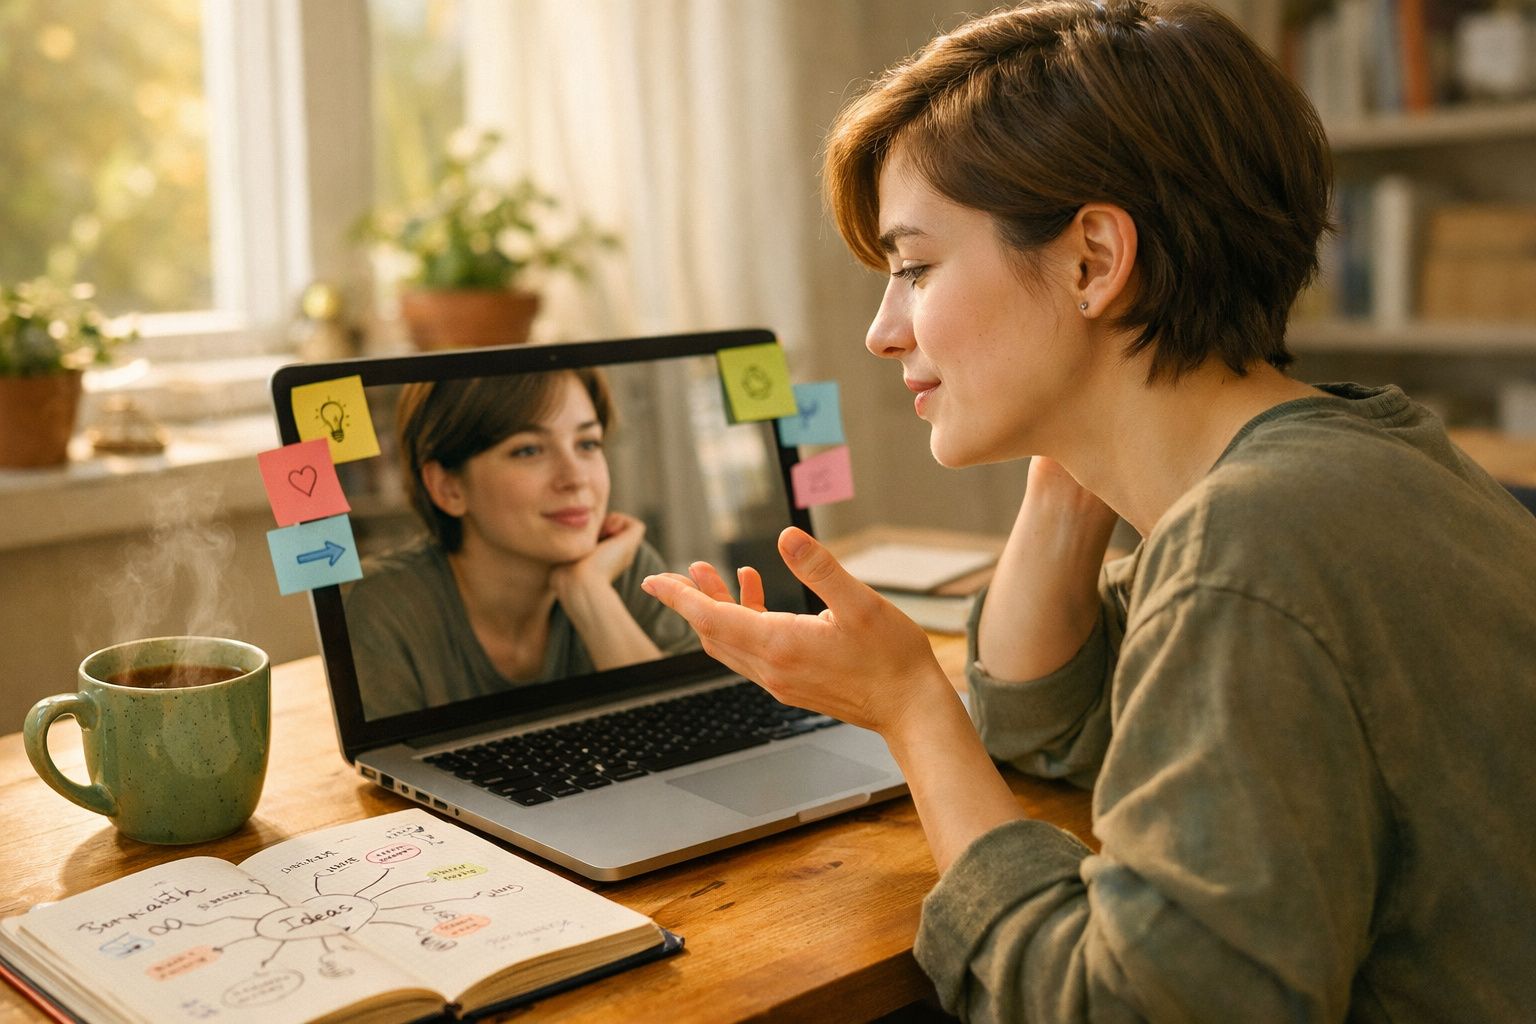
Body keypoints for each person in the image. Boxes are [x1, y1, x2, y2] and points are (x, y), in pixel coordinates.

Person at [640, 1, 1536, 1020]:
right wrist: (1075, 459)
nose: (884, 332)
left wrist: (910, 706)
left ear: (1094, 261)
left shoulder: (1253, 547)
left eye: (917, 266)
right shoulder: (1358, 453)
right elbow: (1056, 729)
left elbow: (1122, 1007)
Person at [348, 368, 697, 719]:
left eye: (587, 444)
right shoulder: (382, 605)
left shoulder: (623, 568)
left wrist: (589, 592)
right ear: (448, 488)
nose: (575, 478)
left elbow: (689, 735)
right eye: (528, 450)